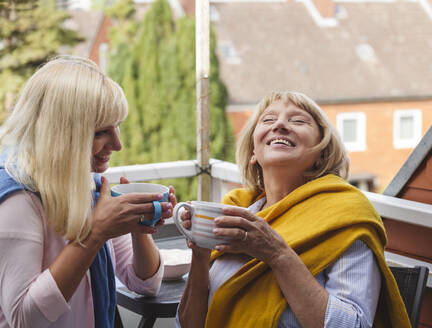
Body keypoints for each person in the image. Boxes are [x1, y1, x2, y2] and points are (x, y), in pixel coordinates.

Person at [177, 91, 410, 327]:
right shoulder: (236, 211)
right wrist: (200, 256)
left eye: (298, 121)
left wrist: (277, 254)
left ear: (322, 154)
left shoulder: (345, 216)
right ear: (253, 153)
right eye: (268, 120)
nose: (279, 125)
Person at [0, 56, 176, 327]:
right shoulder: (16, 199)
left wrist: (140, 227)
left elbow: (146, 283)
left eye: (117, 126)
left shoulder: (89, 186)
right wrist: (94, 234)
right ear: (59, 134)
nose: (118, 144)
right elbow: (24, 318)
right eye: (101, 132)